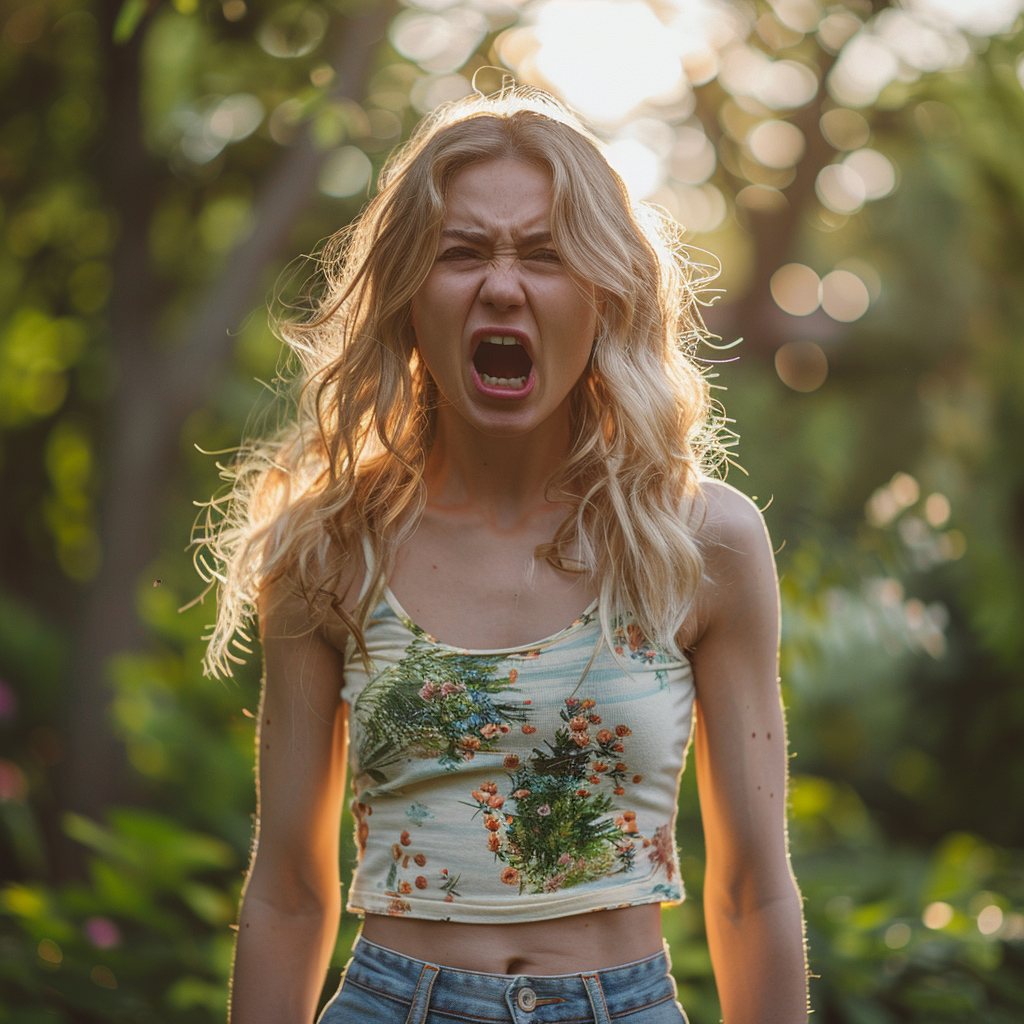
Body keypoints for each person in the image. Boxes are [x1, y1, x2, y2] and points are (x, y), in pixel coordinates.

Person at [200, 85, 808, 1024]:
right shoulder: (329, 546)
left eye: (546, 253)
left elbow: (752, 891)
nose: (502, 285)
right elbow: (286, 890)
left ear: (605, 295)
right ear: (408, 299)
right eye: (461, 252)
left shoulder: (700, 542)